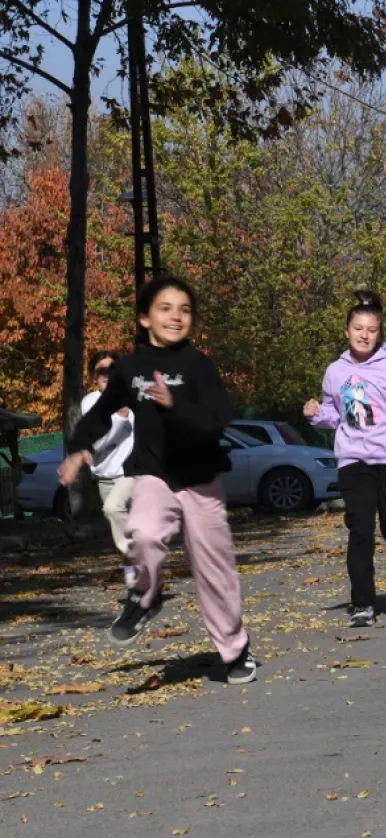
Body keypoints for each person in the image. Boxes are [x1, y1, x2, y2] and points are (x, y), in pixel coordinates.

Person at [60, 276, 258, 684]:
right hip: (154, 474)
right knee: (144, 532)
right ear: (145, 318)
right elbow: (100, 414)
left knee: (215, 569)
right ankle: (145, 599)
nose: (176, 316)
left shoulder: (199, 366)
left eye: (184, 310)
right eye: (165, 308)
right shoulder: (130, 367)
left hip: (201, 479)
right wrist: (81, 447)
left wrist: (174, 405)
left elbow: (217, 421)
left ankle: (235, 650)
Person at [305, 291, 386, 628]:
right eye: (358, 328)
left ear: (380, 333)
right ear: (347, 330)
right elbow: (333, 415)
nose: (364, 335)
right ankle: (362, 603)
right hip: (353, 458)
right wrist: (315, 414)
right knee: (360, 528)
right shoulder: (335, 372)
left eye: (372, 329)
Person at [81, 351, 136, 586]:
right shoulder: (91, 402)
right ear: (94, 377)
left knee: (113, 509)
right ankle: (137, 581)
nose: (107, 375)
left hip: (133, 472)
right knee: (128, 530)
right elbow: (99, 443)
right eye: (100, 372)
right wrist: (122, 418)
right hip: (105, 477)